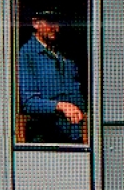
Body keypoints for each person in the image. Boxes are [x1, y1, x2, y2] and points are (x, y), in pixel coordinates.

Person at [17, 8, 85, 143]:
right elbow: (29, 102)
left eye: (58, 22)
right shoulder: (26, 54)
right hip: (46, 137)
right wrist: (61, 106)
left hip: (75, 135)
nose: (56, 28)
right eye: (50, 22)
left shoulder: (65, 52)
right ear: (36, 23)